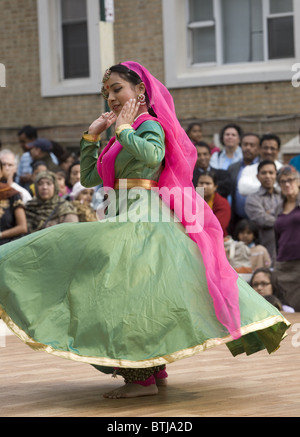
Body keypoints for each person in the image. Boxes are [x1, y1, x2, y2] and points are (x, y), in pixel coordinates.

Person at [0, 62, 290, 400]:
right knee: (137, 291)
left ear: (140, 91)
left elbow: (153, 154)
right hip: (122, 212)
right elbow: (90, 179)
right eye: (106, 92)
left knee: (130, 293)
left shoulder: (149, 124)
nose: (110, 97)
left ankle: (140, 378)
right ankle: (155, 368)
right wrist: (92, 136)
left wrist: (124, 131)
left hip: (145, 217)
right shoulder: (119, 132)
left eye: (117, 88)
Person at [273, 165, 300, 311]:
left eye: (290, 180)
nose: (287, 184)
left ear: (298, 181)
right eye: (282, 181)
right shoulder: (279, 207)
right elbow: (277, 237)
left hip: (299, 263)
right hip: (283, 265)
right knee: (289, 308)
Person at [245, 160, 281, 264]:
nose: (268, 176)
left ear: (276, 175)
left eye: (271, 172)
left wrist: (270, 213)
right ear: (257, 176)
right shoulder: (252, 199)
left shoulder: (284, 195)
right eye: (264, 173)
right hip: (265, 250)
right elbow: (262, 220)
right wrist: (284, 217)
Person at [227, 133, 260, 233]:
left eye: (252, 145)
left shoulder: (263, 168)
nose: (248, 148)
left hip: (258, 219)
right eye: (245, 144)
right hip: (237, 219)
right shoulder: (233, 168)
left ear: (258, 148)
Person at [16, 125, 58, 190]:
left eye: (33, 149)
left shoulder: (52, 163)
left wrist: (33, 178)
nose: (31, 151)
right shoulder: (25, 157)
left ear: (38, 151)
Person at [0, 161, 27, 245]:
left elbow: (22, 227)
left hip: (7, 248)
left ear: (1, 173)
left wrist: (1, 234)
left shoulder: (12, 194)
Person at [197, 171, 231, 236]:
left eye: (208, 184)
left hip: (215, 237)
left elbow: (218, 227)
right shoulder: (191, 200)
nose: (204, 186)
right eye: (201, 183)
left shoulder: (222, 203)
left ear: (215, 187)